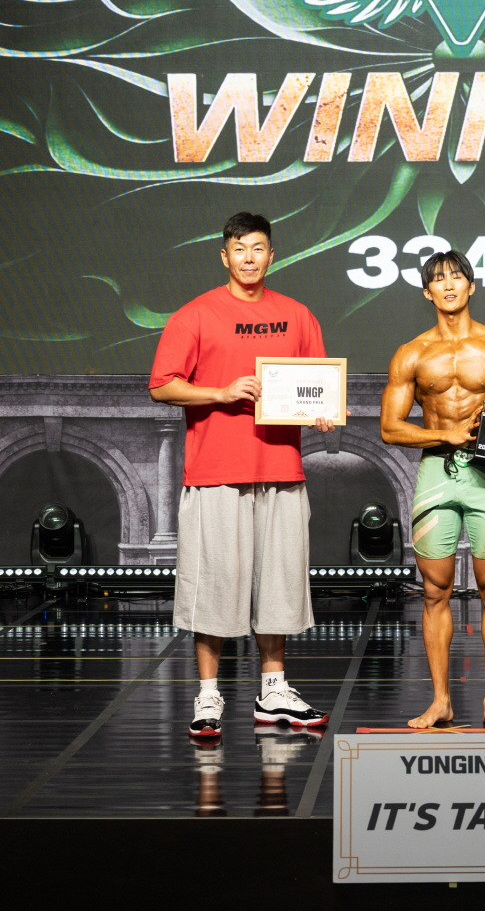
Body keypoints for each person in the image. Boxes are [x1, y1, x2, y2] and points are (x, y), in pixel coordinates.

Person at [149, 211, 336, 737]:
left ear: (272, 255)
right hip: (215, 472)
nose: (249, 258)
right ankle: (208, 695)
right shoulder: (195, 315)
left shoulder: (297, 316)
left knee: (279, 585)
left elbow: (316, 386)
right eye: (239, 249)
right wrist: (221, 392)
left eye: (258, 248)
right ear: (224, 255)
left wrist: (322, 412)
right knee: (214, 586)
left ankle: (273, 691)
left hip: (280, 468)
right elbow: (162, 385)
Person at [379, 250, 485, 731]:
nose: (449, 285)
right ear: (426, 291)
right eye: (439, 279)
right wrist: (445, 435)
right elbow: (390, 427)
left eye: (457, 277)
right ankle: (441, 701)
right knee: (435, 590)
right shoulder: (412, 353)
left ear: (472, 286)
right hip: (437, 474)